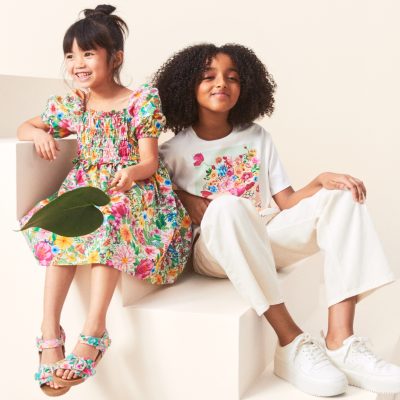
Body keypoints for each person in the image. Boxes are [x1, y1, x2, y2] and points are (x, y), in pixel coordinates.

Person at [153, 43, 400, 396]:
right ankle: (290, 340)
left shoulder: (257, 137)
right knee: (227, 206)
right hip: (215, 250)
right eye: (209, 76)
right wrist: (183, 196)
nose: (221, 83)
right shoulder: (171, 151)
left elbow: (286, 202)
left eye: (232, 77)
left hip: (266, 232)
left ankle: (341, 341)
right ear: (187, 86)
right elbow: (159, 202)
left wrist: (319, 182)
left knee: (343, 196)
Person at [17, 5, 192, 396]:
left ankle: (94, 330)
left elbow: (149, 161)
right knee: (59, 223)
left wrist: (131, 173)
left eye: (88, 53)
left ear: (115, 58)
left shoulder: (141, 100)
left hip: (133, 188)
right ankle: (49, 331)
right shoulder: (74, 103)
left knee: (108, 220)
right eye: (70, 55)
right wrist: (39, 134)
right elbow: (25, 126)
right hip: (86, 185)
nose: (77, 64)